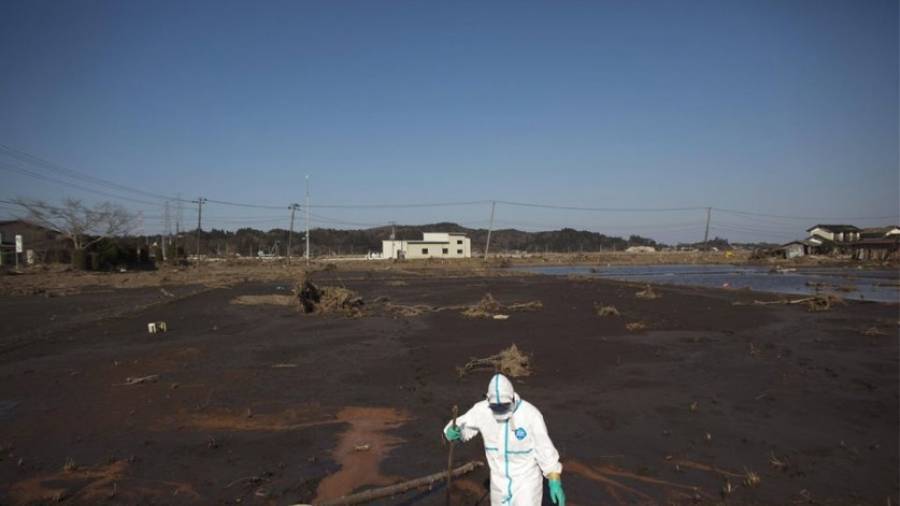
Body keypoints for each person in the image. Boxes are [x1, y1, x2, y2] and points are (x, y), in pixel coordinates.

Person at [443, 373, 565, 506]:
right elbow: (461, 426)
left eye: (504, 406)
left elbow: (545, 449)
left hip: (526, 483)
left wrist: (554, 479)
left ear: (512, 399)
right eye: (496, 407)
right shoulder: (481, 411)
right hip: (499, 483)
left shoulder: (530, 415)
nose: (500, 411)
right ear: (488, 401)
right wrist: (453, 432)